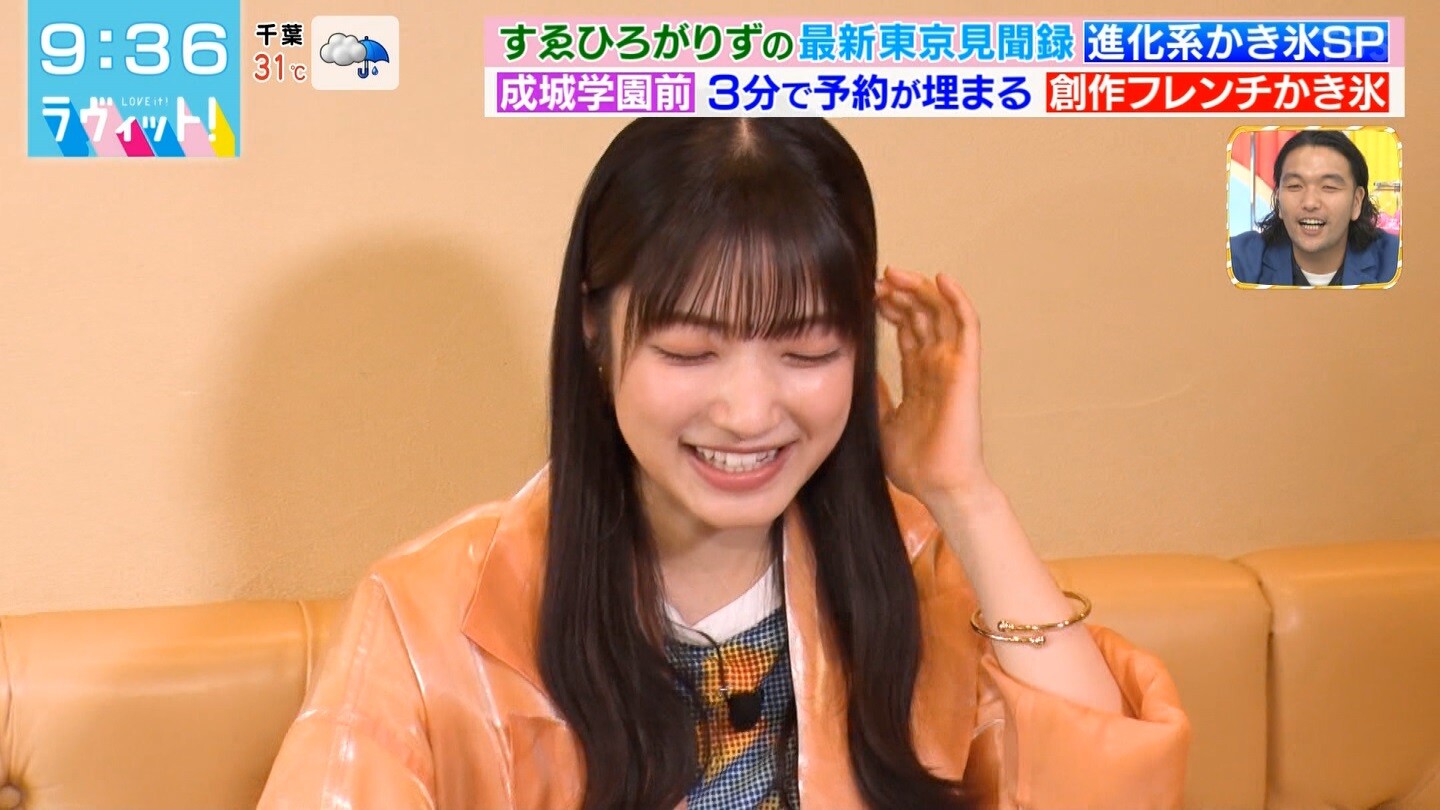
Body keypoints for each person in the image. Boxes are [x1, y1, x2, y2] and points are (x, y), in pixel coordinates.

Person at [258, 118, 1190, 809]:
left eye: (807, 352)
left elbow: (1107, 789)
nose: (748, 413)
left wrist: (963, 493)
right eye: (690, 352)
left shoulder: (917, 574)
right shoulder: (431, 616)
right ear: (594, 330)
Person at [1230, 129, 1400, 286]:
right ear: (1278, 198)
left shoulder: (1397, 261)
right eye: (1295, 186)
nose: (1310, 203)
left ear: (1356, 202)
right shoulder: (1237, 260)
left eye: (1329, 187)